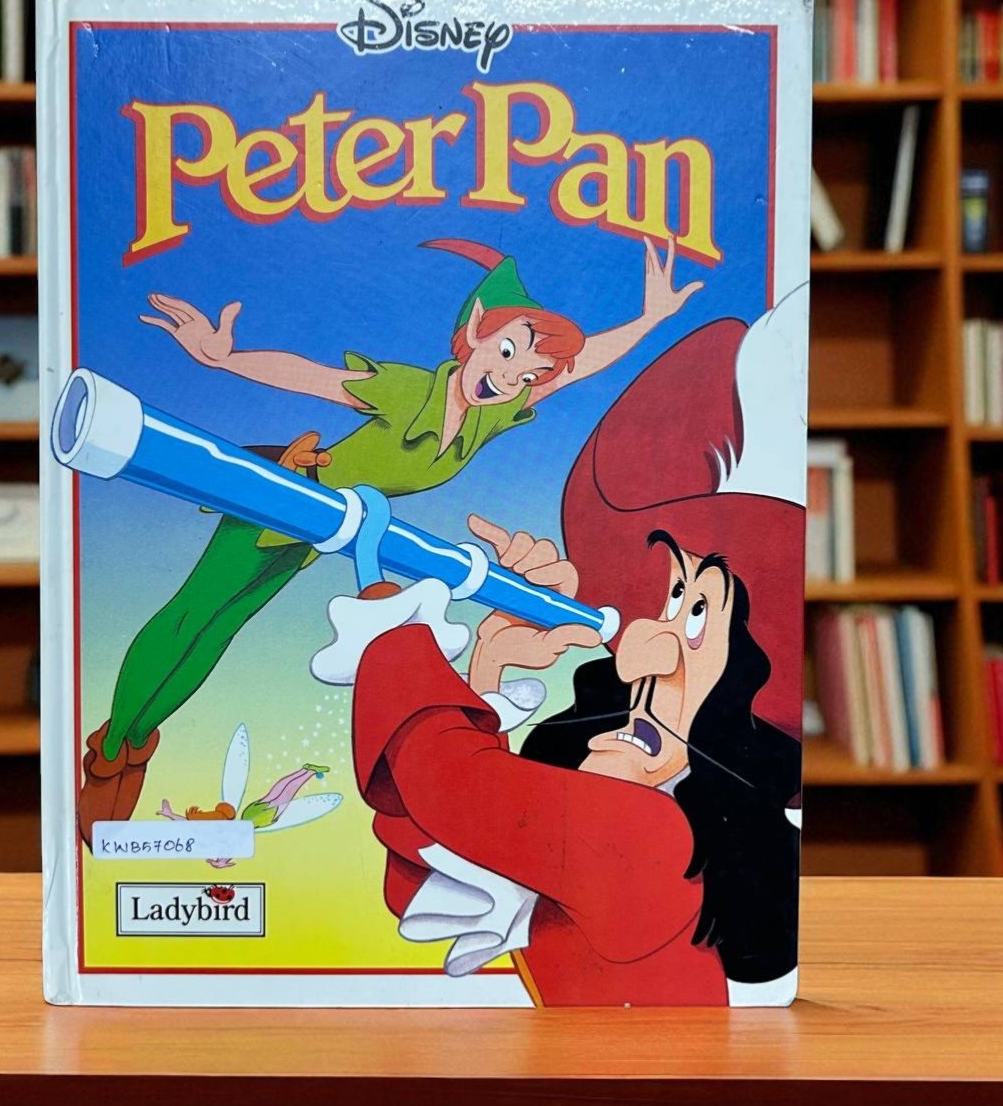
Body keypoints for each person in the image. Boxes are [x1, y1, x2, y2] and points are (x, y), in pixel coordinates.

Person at [78, 236, 703, 843]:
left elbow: (576, 368)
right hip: (286, 497)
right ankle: (111, 751)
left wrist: (650, 318)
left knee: (223, 626)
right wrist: (223, 359)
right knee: (192, 615)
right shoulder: (410, 390)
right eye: (508, 352)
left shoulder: (489, 416)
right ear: (476, 329)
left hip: (320, 530)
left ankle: (136, 739)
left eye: (526, 375)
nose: (508, 377)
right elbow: (315, 379)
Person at [348, 306, 806, 1004]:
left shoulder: (657, 839)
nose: (642, 650)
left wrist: (391, 625)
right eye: (671, 595)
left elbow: (448, 786)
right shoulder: (627, 819)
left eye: (698, 615)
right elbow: (432, 858)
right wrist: (489, 662)